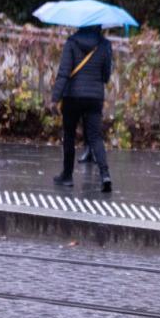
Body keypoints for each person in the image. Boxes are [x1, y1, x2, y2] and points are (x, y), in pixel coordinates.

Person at [50, 25, 113, 193]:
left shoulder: (71, 43)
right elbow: (106, 76)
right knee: (95, 137)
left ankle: (67, 176)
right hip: (95, 97)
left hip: (73, 96)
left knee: (69, 135)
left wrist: (54, 99)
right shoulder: (105, 45)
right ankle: (105, 175)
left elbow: (64, 73)